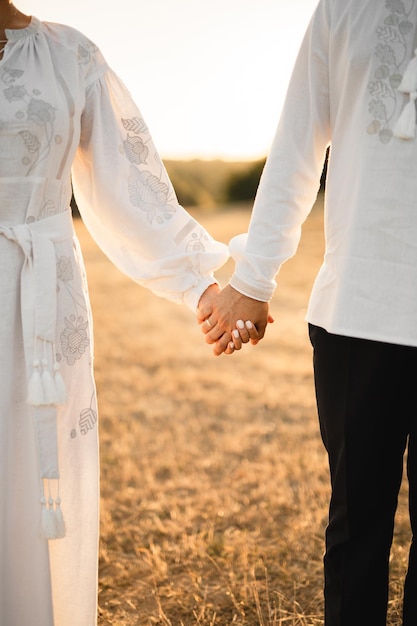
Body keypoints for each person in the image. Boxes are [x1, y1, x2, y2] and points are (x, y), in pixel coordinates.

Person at [0, 3, 260, 625]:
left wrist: (202, 288)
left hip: (39, 303)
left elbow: (129, 187)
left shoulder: (70, 56)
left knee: (25, 492)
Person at [198, 0, 417, 624]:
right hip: (358, 314)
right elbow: (297, 146)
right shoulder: (343, 9)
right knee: (356, 532)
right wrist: (253, 278)